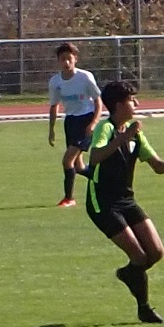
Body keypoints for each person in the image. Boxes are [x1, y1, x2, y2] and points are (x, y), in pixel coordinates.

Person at [85, 80, 164, 324]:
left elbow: (158, 167)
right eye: (132, 100)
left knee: (156, 252)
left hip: (126, 200)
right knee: (140, 257)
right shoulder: (106, 128)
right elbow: (95, 157)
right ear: (119, 105)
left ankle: (128, 274)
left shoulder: (136, 134)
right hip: (103, 203)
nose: (137, 104)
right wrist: (124, 137)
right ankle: (144, 308)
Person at [47, 41, 102, 207]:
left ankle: (69, 198)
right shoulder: (55, 82)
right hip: (70, 121)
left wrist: (93, 123)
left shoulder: (85, 77)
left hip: (85, 120)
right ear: (58, 61)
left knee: (67, 160)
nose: (66, 62)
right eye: (62, 59)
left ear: (75, 59)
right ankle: (106, 181)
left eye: (69, 58)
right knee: (79, 166)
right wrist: (51, 130)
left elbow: (98, 101)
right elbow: (54, 106)